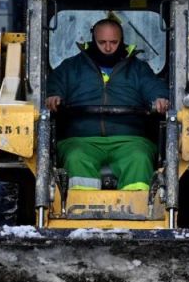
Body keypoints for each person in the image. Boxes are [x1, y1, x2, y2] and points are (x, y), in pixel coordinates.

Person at [46, 18, 170, 191]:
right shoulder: (71, 67)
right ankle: (82, 208)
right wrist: (53, 95)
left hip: (129, 140)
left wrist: (159, 97)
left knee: (139, 158)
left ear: (122, 40)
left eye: (114, 42)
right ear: (93, 39)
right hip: (81, 139)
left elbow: (153, 85)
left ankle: (137, 208)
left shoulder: (138, 69)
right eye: (102, 42)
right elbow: (54, 83)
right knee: (76, 157)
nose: (108, 47)